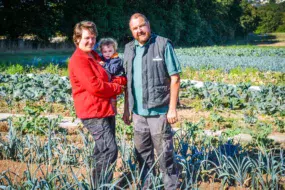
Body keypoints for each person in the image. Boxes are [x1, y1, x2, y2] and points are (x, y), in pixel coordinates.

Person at [123, 13, 181, 190]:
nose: (139, 30)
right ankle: (147, 186)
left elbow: (175, 78)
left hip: (159, 112)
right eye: (135, 28)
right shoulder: (129, 49)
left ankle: (171, 187)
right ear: (131, 31)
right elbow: (127, 83)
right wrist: (127, 109)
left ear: (148, 25)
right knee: (142, 155)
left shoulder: (163, 44)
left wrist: (172, 109)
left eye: (142, 26)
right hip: (138, 114)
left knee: (165, 156)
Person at [68, 20, 126, 188]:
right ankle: (102, 185)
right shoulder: (79, 60)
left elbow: (112, 73)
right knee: (109, 150)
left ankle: (97, 184)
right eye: (87, 38)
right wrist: (118, 87)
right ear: (77, 39)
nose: (91, 41)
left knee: (102, 150)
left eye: (93, 38)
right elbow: (95, 86)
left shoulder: (94, 56)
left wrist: (119, 81)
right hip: (93, 112)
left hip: (105, 109)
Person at [98, 38, 125, 114]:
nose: (107, 53)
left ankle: (113, 109)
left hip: (118, 77)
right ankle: (107, 107)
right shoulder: (102, 58)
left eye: (110, 51)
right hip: (111, 77)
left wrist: (104, 64)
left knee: (112, 91)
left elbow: (113, 70)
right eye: (105, 52)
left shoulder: (116, 59)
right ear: (101, 52)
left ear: (114, 50)